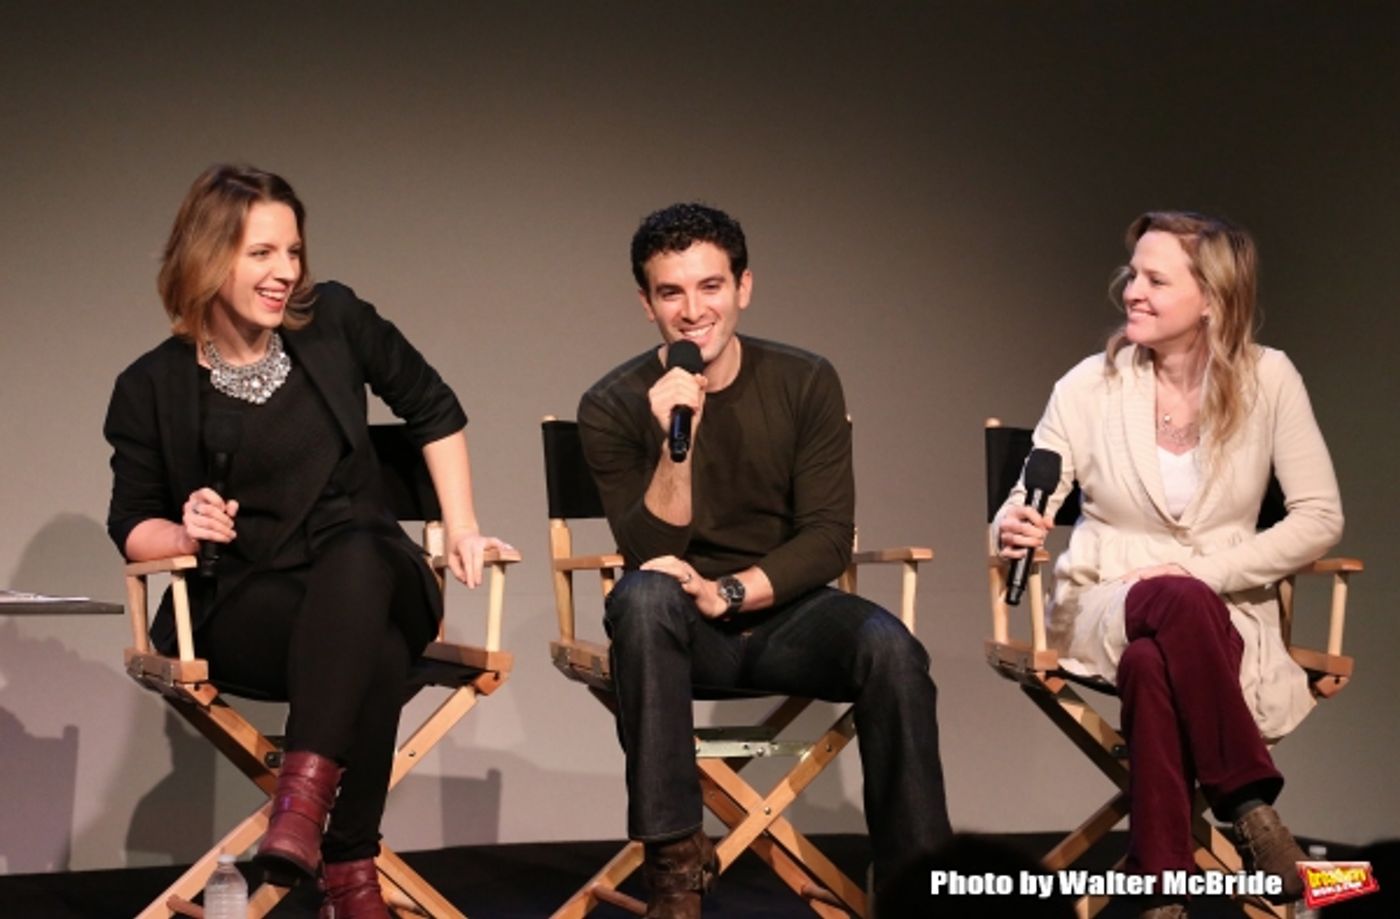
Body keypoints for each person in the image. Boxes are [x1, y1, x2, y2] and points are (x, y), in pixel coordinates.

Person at [104, 164, 510, 919]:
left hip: (372, 569)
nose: (285, 272)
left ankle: (300, 806)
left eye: (292, 251)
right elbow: (132, 524)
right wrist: (183, 527)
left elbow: (435, 408)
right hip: (251, 606)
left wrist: (461, 526)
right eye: (262, 253)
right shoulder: (149, 386)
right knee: (376, 649)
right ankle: (351, 871)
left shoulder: (336, 321)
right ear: (208, 256)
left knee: (359, 541)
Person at [577, 202, 952, 918]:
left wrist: (732, 589)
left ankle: (917, 891)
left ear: (744, 287)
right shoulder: (613, 403)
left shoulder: (806, 380)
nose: (693, 311)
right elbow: (653, 552)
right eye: (671, 293)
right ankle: (676, 873)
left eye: (710, 286)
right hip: (680, 627)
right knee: (643, 595)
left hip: (788, 612)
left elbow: (827, 536)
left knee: (892, 649)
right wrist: (673, 441)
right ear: (645, 304)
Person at [994, 211, 1343, 918]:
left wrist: (1200, 578)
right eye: (1133, 275)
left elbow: (1320, 517)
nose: (1133, 291)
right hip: (1103, 601)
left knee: (1153, 664)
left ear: (1212, 297)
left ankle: (1161, 888)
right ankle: (1248, 806)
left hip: (1224, 616)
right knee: (1162, 618)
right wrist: (1012, 521)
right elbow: (1028, 498)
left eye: (1157, 278)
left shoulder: (1269, 378)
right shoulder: (1088, 385)